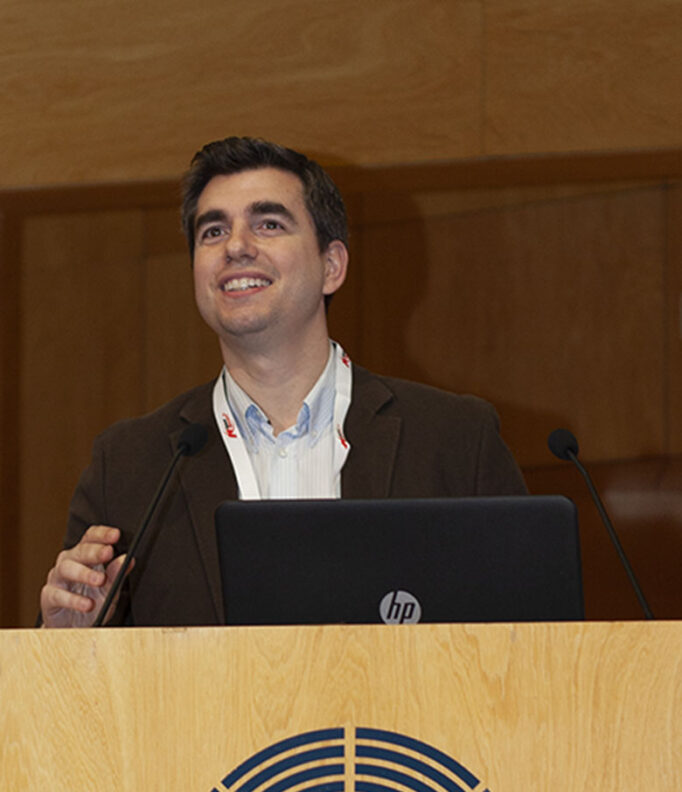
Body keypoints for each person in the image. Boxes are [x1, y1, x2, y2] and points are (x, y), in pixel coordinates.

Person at [40, 136, 526, 628]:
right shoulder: (129, 466)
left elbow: (535, 633)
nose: (235, 246)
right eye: (213, 231)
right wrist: (66, 634)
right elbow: (66, 659)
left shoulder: (454, 439)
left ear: (331, 267)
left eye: (268, 224)